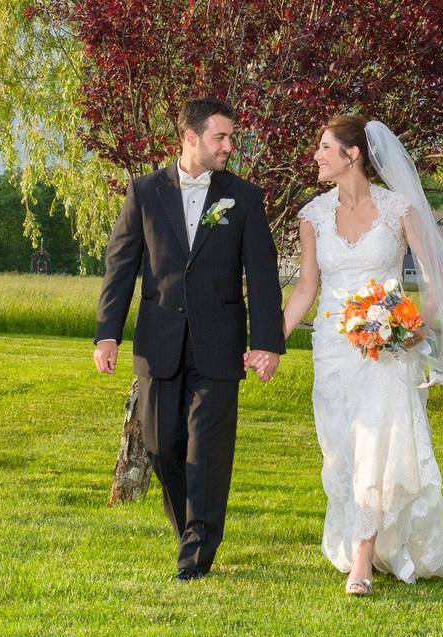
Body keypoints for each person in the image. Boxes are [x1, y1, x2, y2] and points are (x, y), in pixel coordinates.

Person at [268, 114, 443, 595]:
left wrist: (415, 326)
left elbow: (436, 280)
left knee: (376, 449)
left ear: (353, 155)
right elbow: (306, 289)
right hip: (332, 350)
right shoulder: (313, 216)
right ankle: (363, 540)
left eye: (325, 147)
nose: (317, 156)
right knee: (340, 450)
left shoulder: (399, 209)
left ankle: (363, 560)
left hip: (385, 351)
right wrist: (272, 341)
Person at [93, 97, 286, 581]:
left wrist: (266, 343)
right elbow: (121, 267)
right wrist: (106, 335)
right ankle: (190, 532)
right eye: (220, 137)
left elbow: (261, 276)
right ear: (189, 138)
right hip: (158, 343)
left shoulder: (244, 197)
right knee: (162, 448)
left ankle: (196, 557)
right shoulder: (144, 192)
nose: (229, 146)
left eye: (231, 137)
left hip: (220, 346)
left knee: (208, 453)